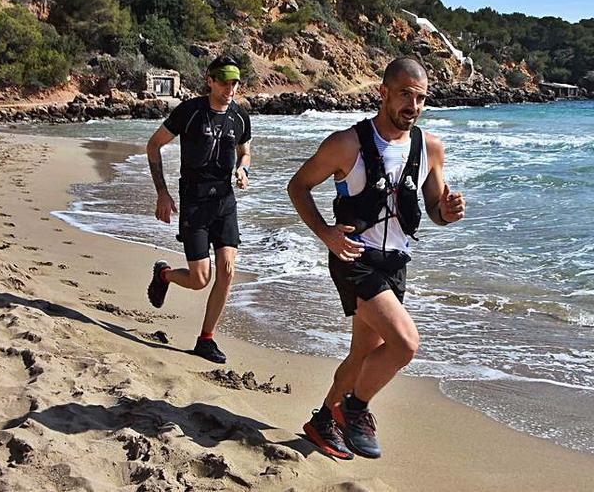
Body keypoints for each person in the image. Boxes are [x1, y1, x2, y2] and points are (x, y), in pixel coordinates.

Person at [287, 57, 466, 459]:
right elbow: (297, 186)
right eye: (405, 94)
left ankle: (322, 423)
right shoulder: (345, 143)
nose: (413, 105)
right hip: (354, 258)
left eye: (420, 98)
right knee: (405, 344)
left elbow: (435, 209)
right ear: (382, 92)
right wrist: (325, 233)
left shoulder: (429, 147)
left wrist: (448, 213)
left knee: (363, 355)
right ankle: (355, 408)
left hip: (395, 263)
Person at [145, 55, 252, 364]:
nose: (231, 87)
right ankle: (163, 275)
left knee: (228, 270)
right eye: (225, 81)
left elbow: (245, 152)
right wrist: (162, 193)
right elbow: (154, 145)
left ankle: (206, 339)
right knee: (199, 279)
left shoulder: (240, 116)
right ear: (210, 80)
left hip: (225, 202)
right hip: (195, 202)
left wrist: (244, 170)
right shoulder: (190, 112)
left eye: (235, 82)